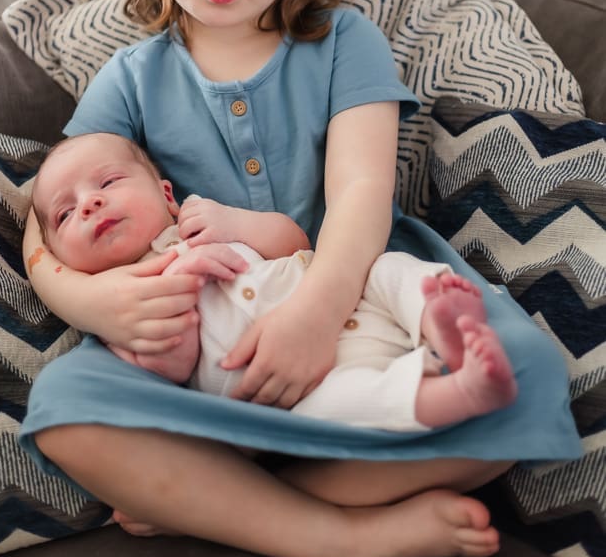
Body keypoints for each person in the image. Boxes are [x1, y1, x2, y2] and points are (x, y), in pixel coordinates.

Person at [19, 0, 580, 557]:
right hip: (202, 348)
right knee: (67, 408)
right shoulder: (131, 78)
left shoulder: (343, 43)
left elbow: (361, 190)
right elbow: (42, 215)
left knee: (518, 376)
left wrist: (316, 312)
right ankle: (338, 533)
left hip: (353, 303)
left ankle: (211, 501)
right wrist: (88, 297)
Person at [31, 131, 518, 433]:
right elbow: (175, 368)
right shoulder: (119, 308)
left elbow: (292, 242)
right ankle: (462, 392)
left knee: (390, 269)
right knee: (336, 409)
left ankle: (436, 315)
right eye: (66, 212)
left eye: (108, 183)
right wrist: (180, 280)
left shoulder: (201, 221)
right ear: (60, 255)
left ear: (165, 195)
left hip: (339, 293)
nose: (90, 203)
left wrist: (236, 223)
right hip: (302, 384)